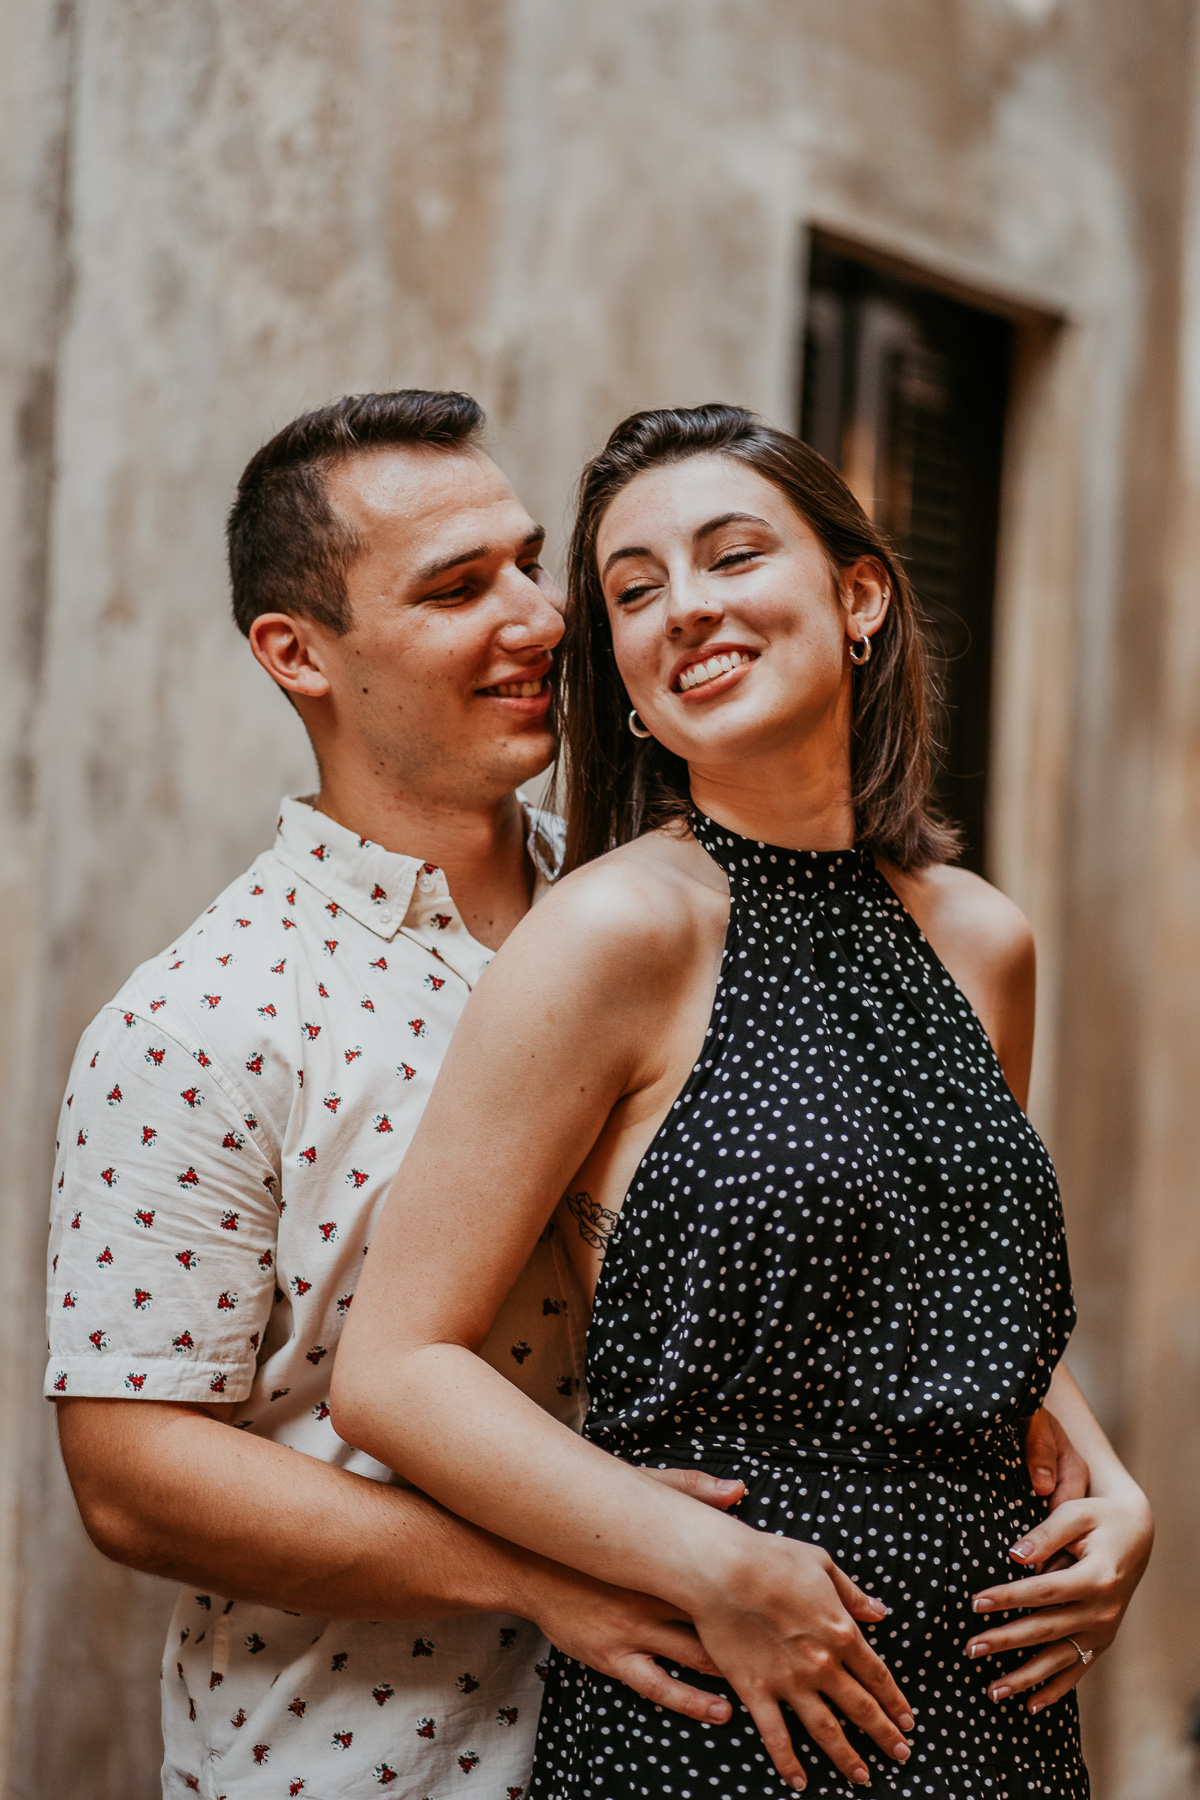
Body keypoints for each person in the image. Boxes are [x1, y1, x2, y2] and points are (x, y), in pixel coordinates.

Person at [331, 404, 1154, 1798]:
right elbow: (395, 1370)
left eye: (730, 556)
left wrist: (1107, 1476)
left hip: (998, 1709)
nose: (685, 608)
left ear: (860, 596)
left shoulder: (984, 941)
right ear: (628, 682)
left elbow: (937, 1287)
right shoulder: (614, 933)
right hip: (728, 1708)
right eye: (635, 590)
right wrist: (709, 1561)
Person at [46, 390, 773, 1800]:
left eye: (525, 562)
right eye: (456, 589)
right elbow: (132, 1474)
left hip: (702, 1749)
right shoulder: (201, 1017)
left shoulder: (678, 912)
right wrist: (550, 1575)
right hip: (378, 1763)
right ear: (296, 653)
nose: (540, 618)